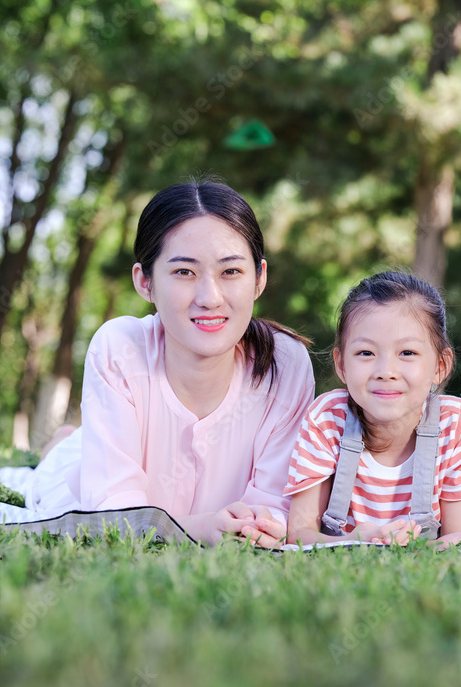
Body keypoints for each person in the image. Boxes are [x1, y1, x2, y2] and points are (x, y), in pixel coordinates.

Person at [29, 179, 315, 549]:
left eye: (231, 272)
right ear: (144, 282)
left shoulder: (284, 362)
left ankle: (70, 437)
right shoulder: (120, 348)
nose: (210, 298)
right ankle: (63, 443)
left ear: (259, 278)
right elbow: (113, 518)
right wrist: (202, 527)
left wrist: (259, 524)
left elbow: (276, 504)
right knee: (62, 461)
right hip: (82, 481)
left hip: (119, 452)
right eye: (184, 272)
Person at [285, 271, 461, 546]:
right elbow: (299, 535)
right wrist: (352, 541)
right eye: (366, 353)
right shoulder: (327, 419)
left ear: (440, 366)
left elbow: (458, 540)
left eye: (407, 353)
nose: (386, 372)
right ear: (342, 364)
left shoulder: (453, 423)